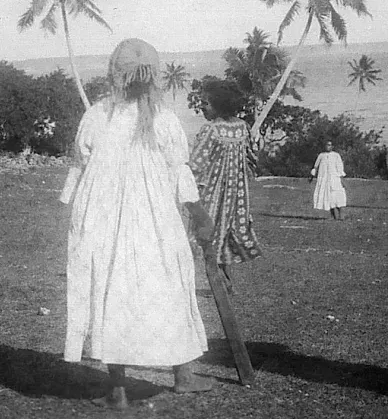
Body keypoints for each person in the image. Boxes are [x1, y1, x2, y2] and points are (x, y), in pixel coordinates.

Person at [59, 38, 215, 409]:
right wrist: (197, 211)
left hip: (104, 217)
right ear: (153, 77)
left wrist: (70, 209)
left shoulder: (98, 115)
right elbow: (180, 171)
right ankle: (181, 376)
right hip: (151, 220)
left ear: (116, 74)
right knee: (166, 284)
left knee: (111, 288)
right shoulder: (162, 118)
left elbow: (79, 167)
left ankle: (120, 388)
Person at [191, 80, 262, 291]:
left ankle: (220, 284)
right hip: (237, 196)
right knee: (223, 236)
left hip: (213, 194)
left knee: (207, 237)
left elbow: (195, 164)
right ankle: (224, 281)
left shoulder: (211, 130)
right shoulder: (242, 127)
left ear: (219, 104)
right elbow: (252, 158)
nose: (202, 107)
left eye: (206, 103)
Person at [311, 141, 347, 220]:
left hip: (335, 179)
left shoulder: (336, 155)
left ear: (332, 146)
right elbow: (316, 166)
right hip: (324, 180)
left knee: (339, 197)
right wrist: (312, 175)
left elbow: (340, 167)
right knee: (328, 198)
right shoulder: (321, 155)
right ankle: (333, 216)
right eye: (326, 145)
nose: (328, 146)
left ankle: (342, 216)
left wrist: (341, 179)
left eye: (329, 145)